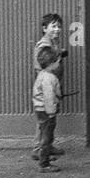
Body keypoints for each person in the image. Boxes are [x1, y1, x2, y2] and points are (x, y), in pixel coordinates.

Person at [31, 14, 67, 161]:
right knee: (45, 120)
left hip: (51, 85)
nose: (57, 29)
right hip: (47, 87)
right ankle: (39, 150)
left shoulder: (52, 42)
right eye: (53, 26)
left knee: (46, 122)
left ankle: (46, 146)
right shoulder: (44, 45)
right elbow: (42, 63)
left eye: (59, 26)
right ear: (44, 28)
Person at [33, 47, 62, 172]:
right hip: (46, 110)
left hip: (41, 109)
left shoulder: (43, 75)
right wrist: (51, 112)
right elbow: (49, 96)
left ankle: (44, 157)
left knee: (46, 134)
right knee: (46, 136)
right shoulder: (49, 78)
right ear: (52, 64)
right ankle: (44, 164)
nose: (58, 63)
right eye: (57, 61)